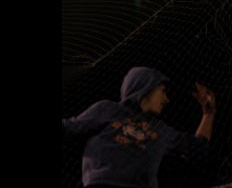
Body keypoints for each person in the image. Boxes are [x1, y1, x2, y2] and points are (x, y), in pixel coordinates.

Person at [62, 66, 216, 188]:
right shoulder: (109, 109)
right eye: (162, 91)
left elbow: (197, 147)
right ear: (146, 87)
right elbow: (69, 127)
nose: (166, 99)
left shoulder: (160, 129)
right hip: (102, 183)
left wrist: (208, 113)